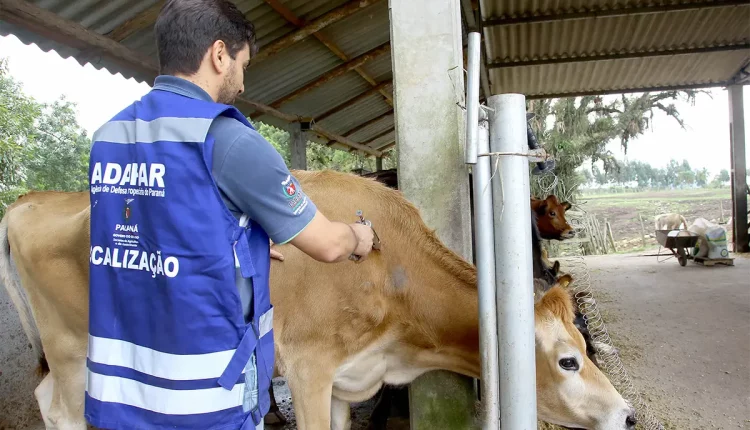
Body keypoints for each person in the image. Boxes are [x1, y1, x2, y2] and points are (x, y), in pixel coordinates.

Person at [84, 1, 375, 429]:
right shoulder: (227, 138)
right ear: (219, 55)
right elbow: (328, 245)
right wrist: (358, 235)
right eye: (242, 64)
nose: (241, 81)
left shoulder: (109, 136)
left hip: (121, 396)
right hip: (203, 400)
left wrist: (243, 240)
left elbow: (152, 227)